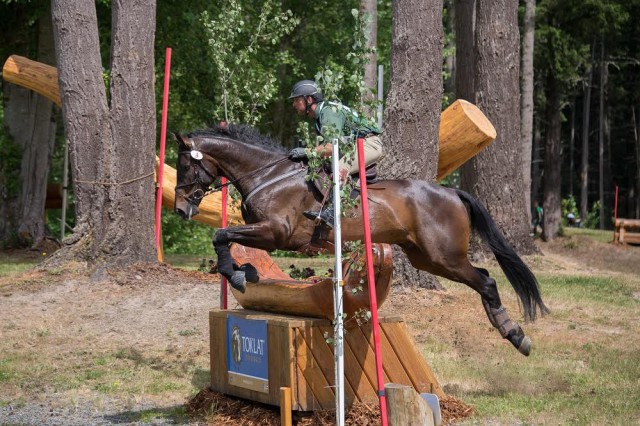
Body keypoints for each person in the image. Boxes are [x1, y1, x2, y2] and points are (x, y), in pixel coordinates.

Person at [287, 79, 384, 228]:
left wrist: (306, 151)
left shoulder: (328, 112)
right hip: (354, 146)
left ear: (309, 99)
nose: (294, 105)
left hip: (369, 144)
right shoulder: (320, 115)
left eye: (296, 100)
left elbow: (332, 147)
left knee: (339, 169)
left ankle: (332, 214)